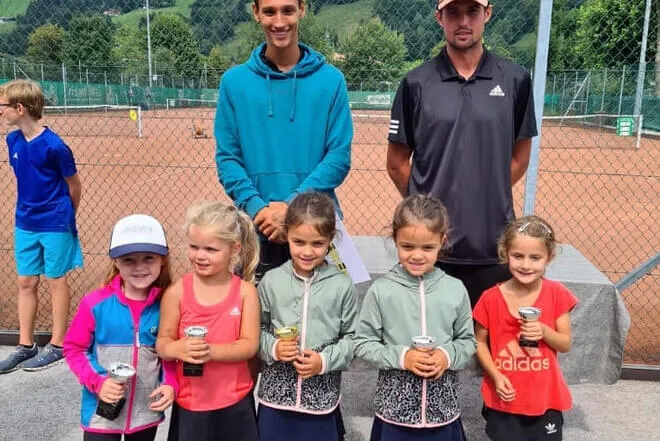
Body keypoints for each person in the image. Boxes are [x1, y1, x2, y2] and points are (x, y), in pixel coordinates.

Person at [386, 0, 538, 308]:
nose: (463, 21)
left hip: (493, 244)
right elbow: (397, 163)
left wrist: (486, 194)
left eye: (472, 11)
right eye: (453, 12)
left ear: (487, 13)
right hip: (432, 248)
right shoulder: (416, 83)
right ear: (439, 17)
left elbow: (520, 156)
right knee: (431, 335)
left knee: (488, 335)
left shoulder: (515, 79)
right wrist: (426, 212)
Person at [214, 0, 353, 282]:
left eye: (288, 10)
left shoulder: (331, 80)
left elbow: (338, 156)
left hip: (315, 227)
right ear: (256, 13)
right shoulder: (233, 82)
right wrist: (258, 208)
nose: (279, 22)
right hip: (257, 227)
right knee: (253, 310)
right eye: (269, 11)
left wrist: (292, 206)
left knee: (330, 306)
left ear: (303, 9)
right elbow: (227, 158)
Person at [354, 194, 476, 441]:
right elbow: (363, 343)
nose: (417, 256)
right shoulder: (381, 290)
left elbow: (468, 341)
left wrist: (445, 356)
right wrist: (403, 357)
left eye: (428, 247)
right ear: (395, 240)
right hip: (394, 415)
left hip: (443, 414)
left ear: (442, 241)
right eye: (407, 246)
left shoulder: (455, 288)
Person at [63, 214, 176, 441]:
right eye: (128, 260)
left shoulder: (168, 305)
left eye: (148, 258)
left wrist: (170, 384)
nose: (139, 267)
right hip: (101, 415)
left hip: (145, 412)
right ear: (115, 261)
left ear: (162, 259)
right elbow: (74, 348)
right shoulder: (95, 304)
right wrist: (99, 381)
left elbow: (170, 355)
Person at [257, 191, 358, 441]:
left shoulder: (343, 285)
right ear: (286, 236)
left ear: (331, 239)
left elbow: (353, 338)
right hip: (275, 401)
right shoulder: (271, 281)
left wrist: (323, 361)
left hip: (321, 402)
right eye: (299, 242)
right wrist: (274, 348)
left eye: (317, 244)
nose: (307, 251)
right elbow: (255, 330)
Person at [156, 201, 260, 441]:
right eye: (194, 247)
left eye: (211, 249)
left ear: (234, 249)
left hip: (236, 401)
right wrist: (177, 348)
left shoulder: (245, 292)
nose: (200, 256)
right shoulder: (177, 292)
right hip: (192, 403)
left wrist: (210, 351)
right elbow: (163, 342)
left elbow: (249, 345)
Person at [0, 79, 83, 373]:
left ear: (20, 108)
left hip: (55, 222)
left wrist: (65, 216)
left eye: (3, 106)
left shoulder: (55, 146)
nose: (1, 111)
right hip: (25, 222)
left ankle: (58, 345)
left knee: (56, 279)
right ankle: (26, 345)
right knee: (26, 282)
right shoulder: (12, 141)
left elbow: (74, 185)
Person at [473, 216, 577, 441]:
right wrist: (496, 376)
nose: (526, 265)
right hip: (505, 393)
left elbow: (565, 343)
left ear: (549, 257)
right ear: (506, 253)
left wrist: (544, 331)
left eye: (535, 257)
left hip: (544, 397)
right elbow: (479, 341)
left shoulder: (557, 294)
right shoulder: (490, 298)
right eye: (518, 256)